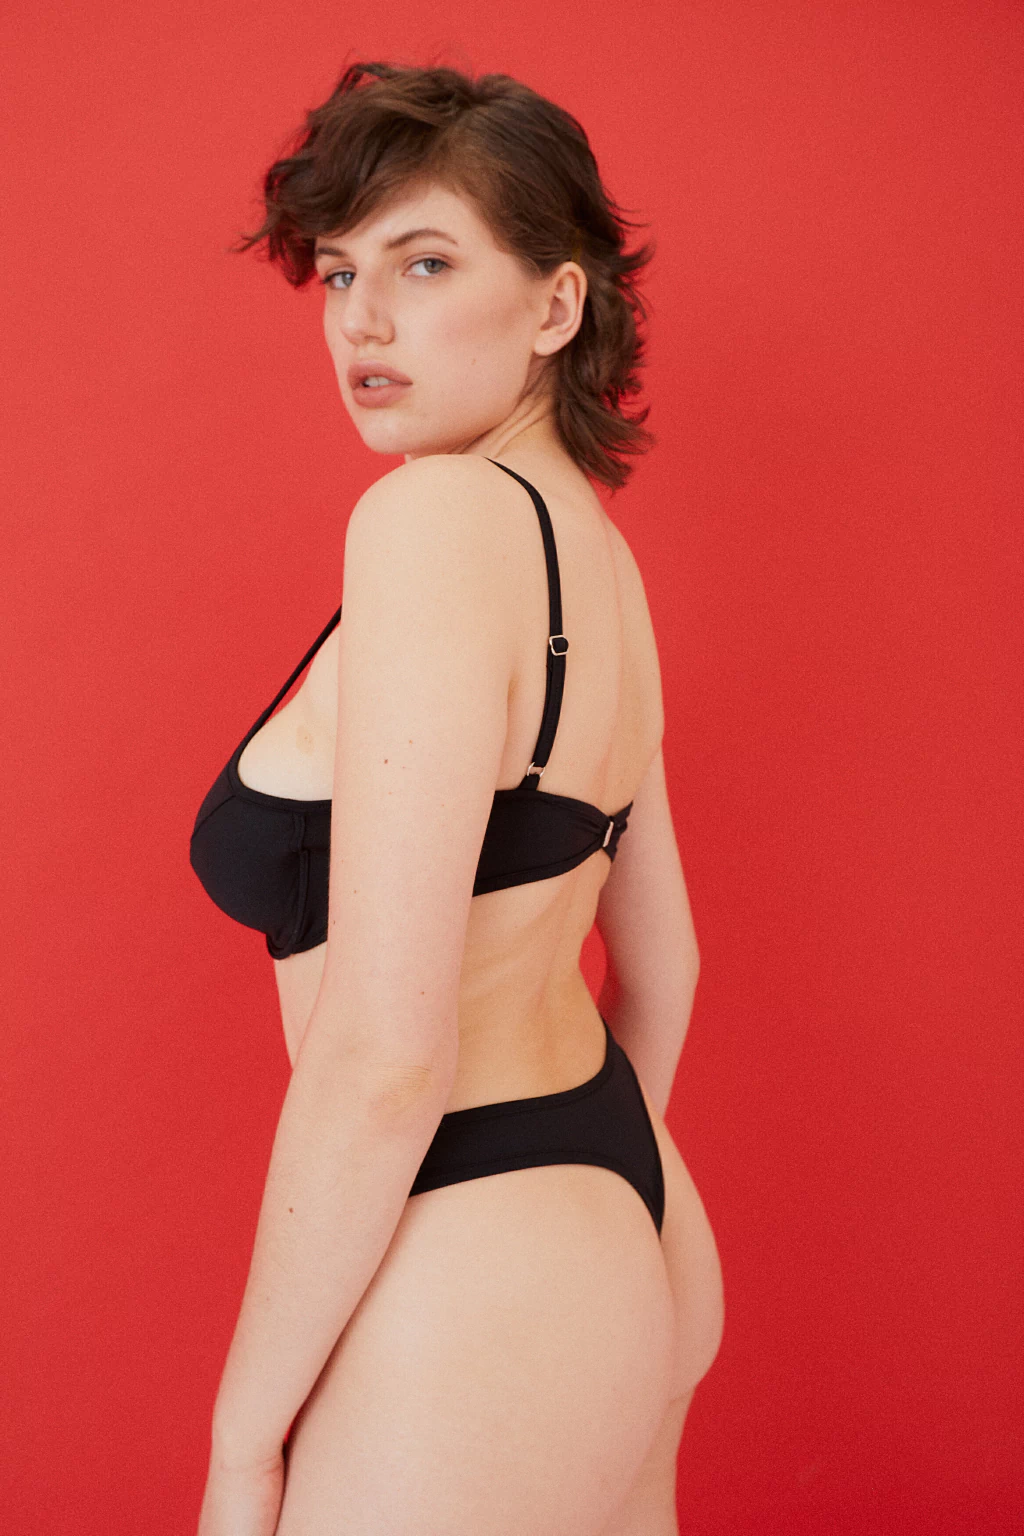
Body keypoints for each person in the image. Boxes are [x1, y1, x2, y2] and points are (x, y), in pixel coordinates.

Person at [190, 60, 724, 1536]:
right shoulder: (596, 560)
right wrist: (591, 1211)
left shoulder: (428, 522)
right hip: (620, 1209)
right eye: (341, 273)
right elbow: (667, 968)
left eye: (424, 264)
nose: (361, 319)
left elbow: (382, 1054)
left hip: (476, 1273)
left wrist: (242, 1439)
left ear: (556, 306)